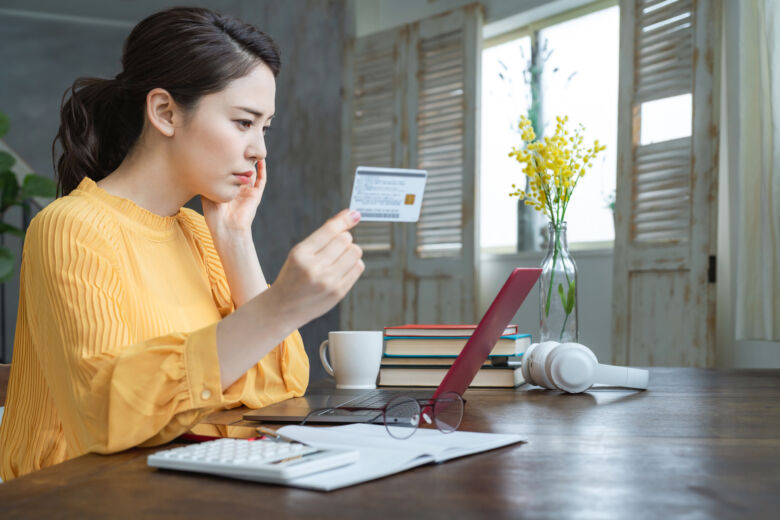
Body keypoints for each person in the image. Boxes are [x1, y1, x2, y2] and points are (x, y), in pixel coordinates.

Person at [0, 6, 364, 481]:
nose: (260, 150)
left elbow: (281, 381)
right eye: (243, 122)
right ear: (165, 112)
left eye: (265, 127)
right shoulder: (70, 227)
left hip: (185, 483)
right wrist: (278, 309)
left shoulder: (200, 231)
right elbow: (108, 411)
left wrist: (235, 237)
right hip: (75, 495)